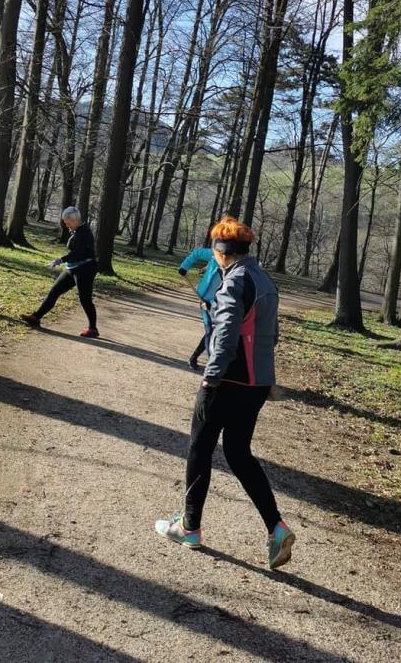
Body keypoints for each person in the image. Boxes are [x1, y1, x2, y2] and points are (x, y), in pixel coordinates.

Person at [155, 217, 295, 570]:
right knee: (238, 452)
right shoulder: (263, 279)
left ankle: (189, 527)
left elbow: (230, 331)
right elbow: (269, 334)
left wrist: (211, 376)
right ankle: (276, 528)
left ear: (220, 252)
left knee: (199, 448)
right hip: (256, 384)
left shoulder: (234, 280)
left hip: (227, 381)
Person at [20, 206, 99, 337]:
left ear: (75, 220)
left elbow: (78, 253)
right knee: (54, 291)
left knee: (85, 299)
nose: (67, 226)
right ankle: (36, 317)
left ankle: (93, 328)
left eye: (68, 223)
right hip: (72, 268)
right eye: (65, 223)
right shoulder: (76, 231)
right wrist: (64, 260)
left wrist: (61, 259)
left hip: (85, 268)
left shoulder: (85, 233)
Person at [178, 241, 221, 370]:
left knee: (215, 332)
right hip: (204, 299)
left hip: (219, 304)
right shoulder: (215, 254)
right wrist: (184, 267)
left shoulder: (235, 266)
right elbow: (197, 253)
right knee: (210, 330)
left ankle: (194, 357)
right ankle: (212, 365)